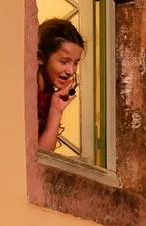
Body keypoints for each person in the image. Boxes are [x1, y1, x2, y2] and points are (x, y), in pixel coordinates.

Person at [36, 19, 85, 152]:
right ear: (40, 57)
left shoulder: (49, 97)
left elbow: (45, 157)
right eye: (64, 62)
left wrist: (56, 111)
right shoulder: (26, 96)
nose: (71, 71)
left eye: (75, 63)